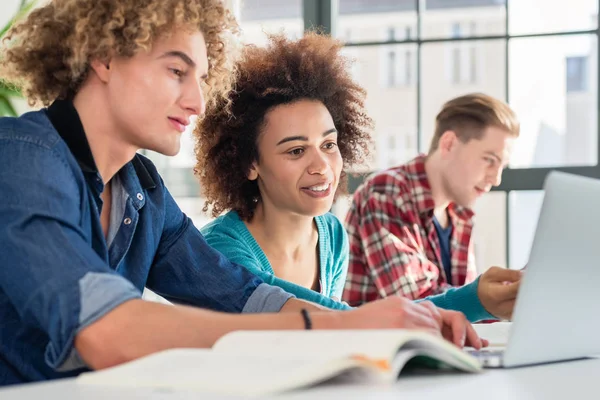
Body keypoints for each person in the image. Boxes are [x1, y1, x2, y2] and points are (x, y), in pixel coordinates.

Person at [0, 0, 482, 386]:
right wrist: (337, 328)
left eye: (202, 78)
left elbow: (241, 294)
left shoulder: (143, 189)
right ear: (103, 56)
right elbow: (106, 332)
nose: (198, 101)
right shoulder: (21, 159)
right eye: (176, 71)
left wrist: (392, 331)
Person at [195, 34, 517, 324]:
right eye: (295, 151)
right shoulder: (220, 249)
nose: (322, 166)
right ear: (250, 163)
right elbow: (334, 320)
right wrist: (476, 300)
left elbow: (329, 332)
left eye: (329, 145)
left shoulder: (331, 234)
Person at [343, 93, 522, 320]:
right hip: (381, 351)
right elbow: (417, 303)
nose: (496, 179)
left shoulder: (458, 213)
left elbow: (465, 310)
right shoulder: (386, 193)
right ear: (448, 144)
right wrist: (491, 299)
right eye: (489, 159)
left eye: (502, 166)